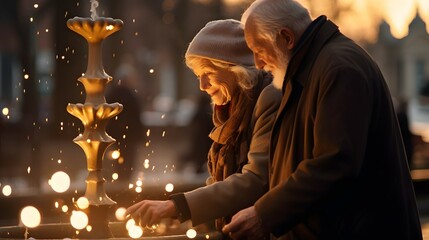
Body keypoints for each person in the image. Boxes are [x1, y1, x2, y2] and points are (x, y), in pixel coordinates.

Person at [222, 0, 423, 239]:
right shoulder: (312, 70)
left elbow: (335, 163)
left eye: (259, 49)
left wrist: (263, 214)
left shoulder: (339, 68)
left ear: (286, 38)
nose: (258, 63)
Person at [125, 19, 281, 238]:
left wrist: (176, 207)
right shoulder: (231, 108)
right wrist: (189, 219)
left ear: (235, 68)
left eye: (208, 72)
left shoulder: (268, 98)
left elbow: (255, 179)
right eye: (199, 76)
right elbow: (221, 182)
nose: (202, 85)